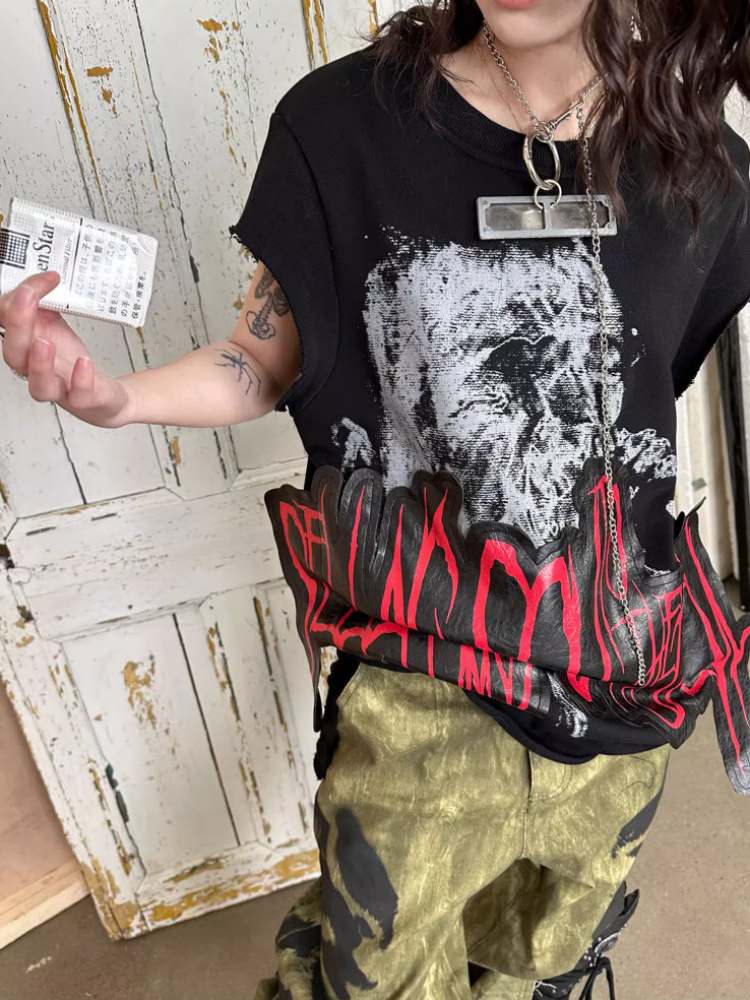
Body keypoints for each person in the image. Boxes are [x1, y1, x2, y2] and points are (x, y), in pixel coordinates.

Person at [2, 0, 750, 996]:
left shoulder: (700, 163)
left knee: (547, 949)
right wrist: (113, 397)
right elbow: (261, 359)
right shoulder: (343, 126)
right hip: (419, 682)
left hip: (621, 678)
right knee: (382, 968)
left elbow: (644, 399)